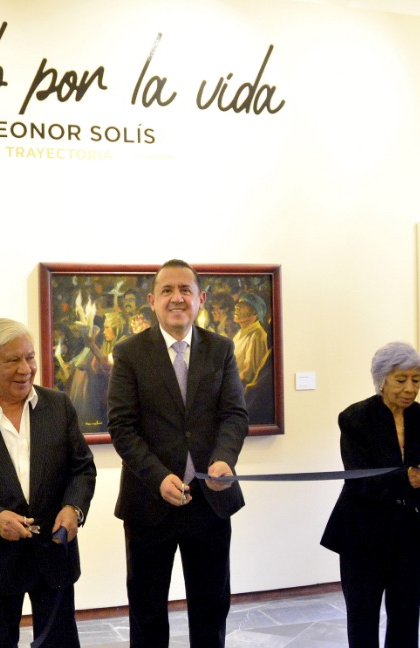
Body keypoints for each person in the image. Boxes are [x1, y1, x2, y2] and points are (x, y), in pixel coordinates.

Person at [108, 259, 249, 648]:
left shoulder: (221, 349)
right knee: (147, 612)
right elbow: (122, 427)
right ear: (152, 301)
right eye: (167, 290)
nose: (176, 298)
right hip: (149, 504)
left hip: (210, 501)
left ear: (200, 299)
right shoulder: (129, 353)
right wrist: (158, 478)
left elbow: (234, 414)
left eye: (185, 290)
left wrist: (224, 458)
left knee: (211, 608)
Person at [0, 318, 97, 648]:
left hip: (55, 553)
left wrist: (74, 509)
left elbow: (82, 469)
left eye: (30, 357)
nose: (26, 369)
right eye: (13, 360)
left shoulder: (59, 406)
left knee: (60, 642)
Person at [321, 341, 420, 648]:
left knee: (406, 619)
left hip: (409, 537)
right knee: (363, 618)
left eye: (416, 380)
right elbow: (359, 480)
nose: (410, 388)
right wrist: (405, 478)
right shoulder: (355, 418)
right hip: (362, 536)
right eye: (401, 380)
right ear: (382, 381)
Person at [232, 292, 268, 385]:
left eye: (242, 305)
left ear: (254, 312)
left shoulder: (257, 334)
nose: (237, 307)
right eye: (238, 304)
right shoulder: (241, 332)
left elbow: (249, 375)